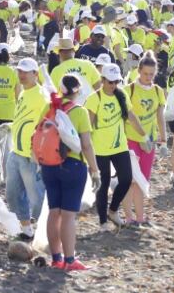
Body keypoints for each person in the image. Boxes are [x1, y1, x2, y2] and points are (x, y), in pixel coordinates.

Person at [43, 75, 100, 271]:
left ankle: (56, 258)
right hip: (72, 165)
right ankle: (69, 260)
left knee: (54, 212)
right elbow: (86, 144)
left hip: (49, 164)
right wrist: (95, 170)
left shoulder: (49, 108)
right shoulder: (80, 112)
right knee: (68, 216)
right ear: (77, 91)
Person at [86, 63, 145, 230]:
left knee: (126, 179)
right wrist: (85, 150)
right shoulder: (94, 98)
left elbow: (132, 117)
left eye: (116, 82)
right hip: (99, 149)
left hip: (119, 146)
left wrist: (144, 135)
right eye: (110, 82)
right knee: (102, 185)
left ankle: (113, 210)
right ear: (102, 80)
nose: (113, 85)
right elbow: (87, 126)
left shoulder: (121, 95)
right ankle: (103, 221)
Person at [7, 57, 49, 239]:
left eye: (26, 71)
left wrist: (38, 148)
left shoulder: (41, 95)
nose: (21, 74)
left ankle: (42, 230)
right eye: (19, 71)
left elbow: (48, 121)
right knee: (12, 194)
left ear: (35, 74)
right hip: (16, 151)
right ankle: (26, 229)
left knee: (37, 197)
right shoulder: (23, 93)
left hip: (30, 155)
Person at [122, 55, 166, 227]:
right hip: (131, 139)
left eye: (152, 74)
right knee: (129, 180)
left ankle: (140, 217)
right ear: (138, 71)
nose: (148, 77)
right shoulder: (129, 90)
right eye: (146, 73)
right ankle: (128, 217)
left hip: (149, 141)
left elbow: (160, 116)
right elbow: (128, 116)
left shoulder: (157, 91)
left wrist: (163, 140)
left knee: (142, 180)